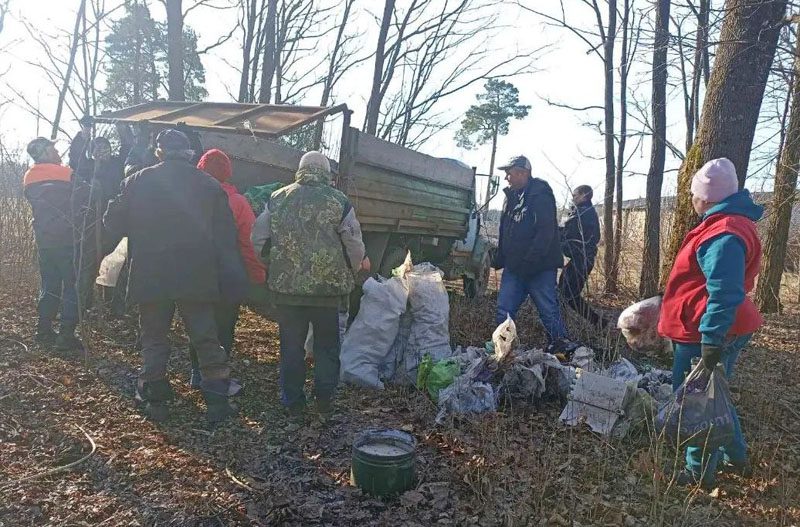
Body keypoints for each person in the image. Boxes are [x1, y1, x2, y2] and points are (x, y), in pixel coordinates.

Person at [103, 129, 247, 423]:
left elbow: (111, 224)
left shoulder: (137, 181)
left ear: (159, 152)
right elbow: (226, 237)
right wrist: (230, 279)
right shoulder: (209, 185)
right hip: (197, 276)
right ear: (189, 154)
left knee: (154, 338)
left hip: (151, 275)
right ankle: (217, 401)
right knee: (206, 339)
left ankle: (155, 401)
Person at [659, 158, 762, 489]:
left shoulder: (725, 233)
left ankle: (698, 473)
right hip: (713, 325)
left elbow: (725, 291)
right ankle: (738, 457)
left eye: (693, 193)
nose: (691, 199)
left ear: (707, 196)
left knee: (697, 404)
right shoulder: (723, 223)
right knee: (715, 396)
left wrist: (711, 339)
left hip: (710, 331)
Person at [251, 151, 368, 421]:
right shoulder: (339, 201)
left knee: (291, 346)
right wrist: (349, 271)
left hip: (287, 292)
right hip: (327, 293)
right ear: (327, 173)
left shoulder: (278, 198)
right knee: (327, 346)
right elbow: (354, 244)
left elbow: (258, 238)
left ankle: (293, 401)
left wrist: (273, 265)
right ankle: (324, 401)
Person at [188, 148, 267, 388]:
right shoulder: (239, 203)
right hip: (227, 277)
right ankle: (218, 379)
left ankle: (196, 374)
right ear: (227, 173)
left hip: (193, 275)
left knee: (199, 326)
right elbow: (249, 243)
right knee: (223, 328)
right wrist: (257, 275)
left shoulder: (188, 199)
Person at [492, 155, 570, 348]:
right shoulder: (510, 197)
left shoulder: (540, 195)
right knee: (504, 311)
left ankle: (562, 348)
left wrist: (529, 262)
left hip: (540, 268)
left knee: (548, 311)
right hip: (514, 267)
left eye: (509, 174)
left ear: (523, 173)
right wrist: (500, 256)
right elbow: (505, 230)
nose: (506, 178)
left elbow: (545, 233)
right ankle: (503, 350)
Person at [23, 137, 83, 351]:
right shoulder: (64, 173)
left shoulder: (29, 177)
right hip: (66, 239)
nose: (58, 151)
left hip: (44, 240)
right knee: (72, 285)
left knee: (50, 285)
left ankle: (44, 329)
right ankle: (67, 334)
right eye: (53, 148)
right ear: (45, 152)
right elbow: (86, 193)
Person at [558, 185, 605, 328]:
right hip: (578, 260)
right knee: (562, 291)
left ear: (584, 195)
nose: (573, 198)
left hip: (582, 261)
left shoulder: (584, 214)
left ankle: (598, 322)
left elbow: (570, 237)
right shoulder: (582, 212)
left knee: (570, 295)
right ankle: (559, 323)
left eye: (575, 195)